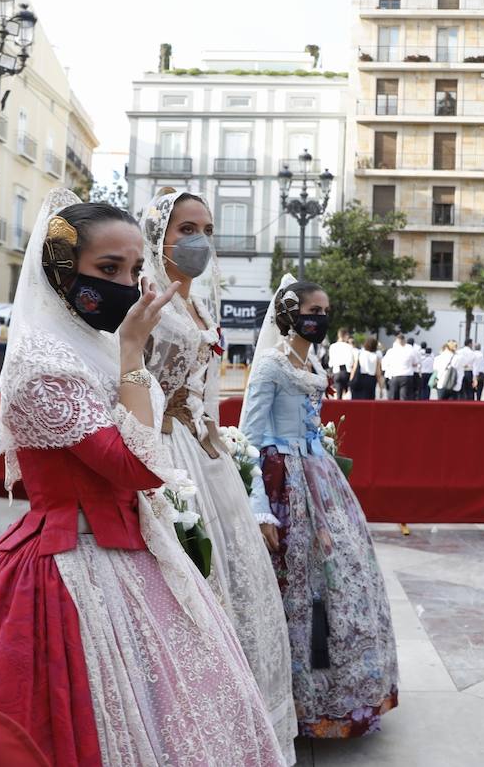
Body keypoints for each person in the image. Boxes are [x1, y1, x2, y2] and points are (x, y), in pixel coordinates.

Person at [0, 192, 286, 767]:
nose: (127, 285)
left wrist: (126, 352)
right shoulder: (41, 362)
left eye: (133, 269)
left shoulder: (96, 346)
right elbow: (136, 465)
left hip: (132, 548)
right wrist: (133, 349)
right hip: (68, 558)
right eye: (108, 270)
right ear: (60, 270)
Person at [140, 189, 297, 761]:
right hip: (162, 448)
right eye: (186, 228)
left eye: (205, 227)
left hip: (204, 454)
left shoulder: (201, 306)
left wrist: (225, 450)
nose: (199, 238)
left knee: (234, 579)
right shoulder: (146, 299)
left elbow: (208, 396)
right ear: (159, 234)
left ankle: (239, 722)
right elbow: (128, 378)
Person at [241, 277, 399, 738]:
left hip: (320, 477)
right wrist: (260, 508)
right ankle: (295, 696)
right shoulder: (270, 365)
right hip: (284, 479)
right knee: (300, 586)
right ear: (289, 314)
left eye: (326, 311)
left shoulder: (311, 361)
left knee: (339, 580)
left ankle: (337, 693)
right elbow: (251, 436)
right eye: (313, 310)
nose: (321, 319)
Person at [383, 333, 418, 401]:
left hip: (394, 375)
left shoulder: (391, 351)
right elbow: (415, 363)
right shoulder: (410, 350)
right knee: (405, 398)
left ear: (396, 341)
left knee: (393, 398)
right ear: (404, 341)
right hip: (407, 376)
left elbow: (385, 364)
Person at [350, 335, 382, 400]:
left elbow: (354, 368)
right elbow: (378, 374)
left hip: (359, 378)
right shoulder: (376, 357)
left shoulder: (360, 354)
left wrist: (351, 380)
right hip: (371, 379)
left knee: (356, 399)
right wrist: (381, 387)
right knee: (369, 400)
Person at [328, 328, 355, 399]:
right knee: (347, 395)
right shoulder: (349, 347)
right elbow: (351, 361)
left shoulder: (332, 346)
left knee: (338, 395)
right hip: (346, 371)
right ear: (345, 336)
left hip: (336, 371)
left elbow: (330, 362)